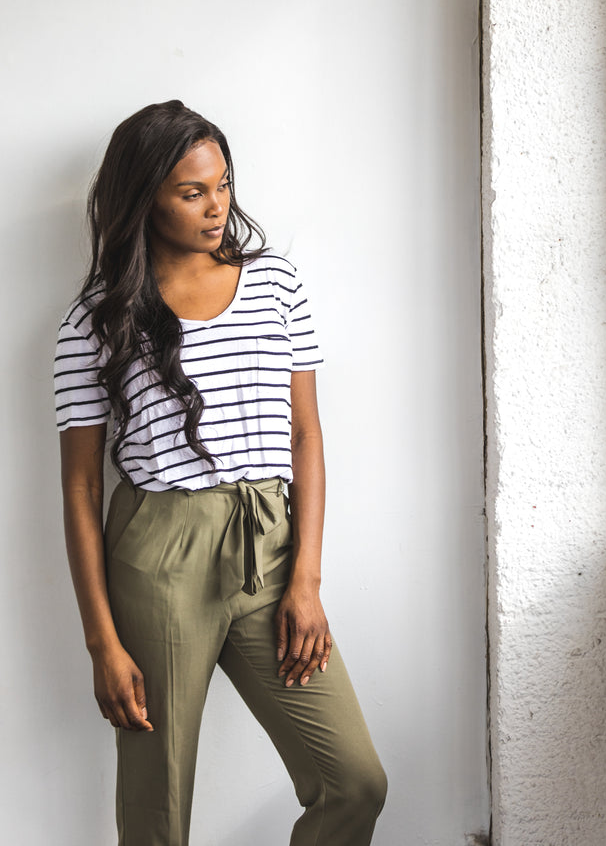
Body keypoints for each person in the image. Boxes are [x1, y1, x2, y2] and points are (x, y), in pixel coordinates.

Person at [54, 99, 387, 846]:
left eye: (224, 184)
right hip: (157, 553)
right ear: (146, 198)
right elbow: (78, 487)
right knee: (157, 810)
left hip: (269, 543)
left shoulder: (274, 284)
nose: (218, 207)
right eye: (192, 191)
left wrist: (305, 579)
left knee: (355, 782)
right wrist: (101, 642)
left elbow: (306, 433)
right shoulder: (96, 320)